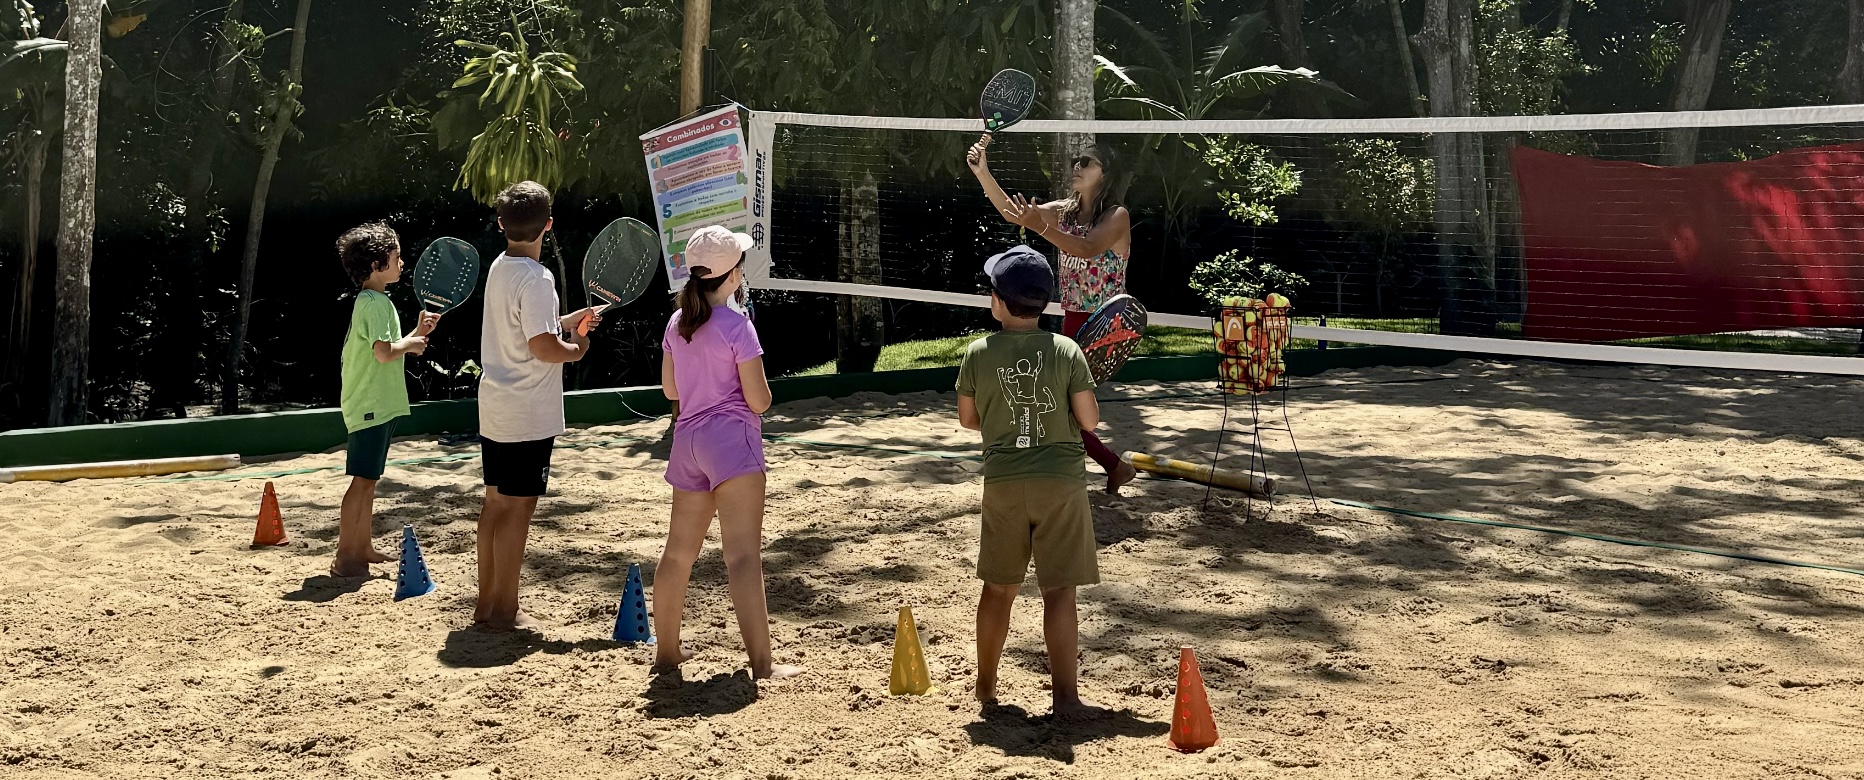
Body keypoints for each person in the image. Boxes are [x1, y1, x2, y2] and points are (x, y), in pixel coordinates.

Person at [957, 244, 1107, 718]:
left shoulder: (977, 352)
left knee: (997, 589)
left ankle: (985, 688)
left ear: (997, 301)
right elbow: (1089, 421)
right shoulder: (1066, 350)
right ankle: (1065, 696)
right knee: (1059, 591)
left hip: (1004, 483)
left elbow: (968, 420)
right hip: (1061, 483)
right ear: (1046, 302)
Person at [652, 225, 805, 680]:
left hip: (688, 441)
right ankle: (763, 665)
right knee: (741, 556)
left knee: (677, 554)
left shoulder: (676, 324)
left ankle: (667, 654)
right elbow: (759, 401)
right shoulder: (739, 327)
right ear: (733, 275)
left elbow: (670, 389)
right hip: (730, 442)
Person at [967, 135, 1137, 493]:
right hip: (1074, 318)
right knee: (1061, 404)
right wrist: (983, 172)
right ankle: (1113, 466)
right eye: (1077, 161)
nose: (1077, 166)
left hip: (1107, 324)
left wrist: (1039, 225)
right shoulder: (1066, 211)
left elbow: (1088, 248)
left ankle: (1107, 466)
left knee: (1062, 405)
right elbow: (1012, 212)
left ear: (1105, 173)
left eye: (1087, 162)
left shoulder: (1116, 216)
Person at [473, 181, 602, 630]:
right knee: (518, 511)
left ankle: (487, 604)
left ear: (501, 226)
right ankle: (506, 609)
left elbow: (529, 328)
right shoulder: (538, 278)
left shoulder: (500, 268)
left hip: (496, 406)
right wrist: (578, 346)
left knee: (495, 506)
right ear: (549, 224)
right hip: (526, 412)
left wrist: (565, 323)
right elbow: (545, 347)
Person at [333, 222, 438, 577]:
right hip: (370, 405)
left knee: (369, 479)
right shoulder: (374, 303)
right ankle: (346, 557)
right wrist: (410, 344)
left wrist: (415, 334)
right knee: (362, 480)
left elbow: (386, 348)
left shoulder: (375, 301)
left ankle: (361, 547)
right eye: (396, 257)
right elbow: (383, 353)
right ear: (377, 265)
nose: (402, 263)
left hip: (376, 404)